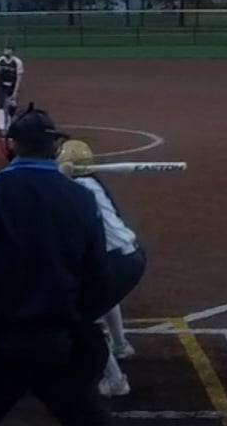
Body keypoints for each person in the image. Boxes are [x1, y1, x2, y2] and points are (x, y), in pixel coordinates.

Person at [0, 104, 113, 425]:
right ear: (54, 146)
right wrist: (76, 322)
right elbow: (98, 276)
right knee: (88, 418)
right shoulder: (82, 197)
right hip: (60, 342)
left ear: (13, 144)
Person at [57, 140, 145, 398]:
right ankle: (120, 346)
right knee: (103, 297)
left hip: (116, 262)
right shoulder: (92, 183)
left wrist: (60, 176)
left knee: (78, 318)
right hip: (130, 257)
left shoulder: (77, 188)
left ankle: (116, 381)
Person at [0, 47, 24, 138]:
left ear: (12, 51)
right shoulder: (0, 61)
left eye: (8, 50)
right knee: (0, 105)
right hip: (1, 86)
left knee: (11, 106)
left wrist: (15, 92)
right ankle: (1, 128)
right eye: (5, 50)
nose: (6, 51)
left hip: (12, 86)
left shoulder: (17, 62)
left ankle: (8, 127)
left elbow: (18, 78)